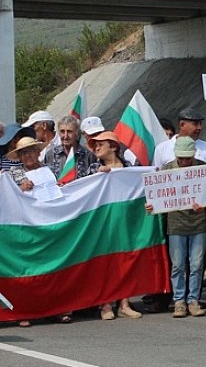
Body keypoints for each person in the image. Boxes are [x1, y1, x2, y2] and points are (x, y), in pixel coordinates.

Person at [7, 137, 72, 327]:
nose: (27, 155)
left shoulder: (50, 170)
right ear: (18, 156)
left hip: (51, 225)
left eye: (30, 151)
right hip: (26, 228)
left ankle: (54, 310)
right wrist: (20, 189)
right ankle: (25, 312)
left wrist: (61, 188)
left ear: (38, 152)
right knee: (27, 271)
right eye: (23, 153)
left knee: (52, 269)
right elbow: (6, 198)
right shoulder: (12, 174)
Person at [147, 137, 206, 318]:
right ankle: (179, 300)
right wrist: (152, 205)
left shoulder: (202, 168)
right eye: (181, 159)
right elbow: (157, 195)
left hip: (198, 223)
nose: (184, 162)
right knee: (178, 265)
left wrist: (205, 203)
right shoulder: (167, 170)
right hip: (175, 224)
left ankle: (193, 300)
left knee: (197, 265)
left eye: (187, 158)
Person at [87, 131, 143, 320]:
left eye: (100, 144)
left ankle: (125, 303)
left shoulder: (128, 167)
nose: (96, 147)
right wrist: (98, 175)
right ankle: (106, 304)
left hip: (126, 220)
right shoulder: (94, 168)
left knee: (126, 260)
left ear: (113, 146)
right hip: (103, 222)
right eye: (95, 145)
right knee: (106, 263)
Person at [44, 116, 96, 180]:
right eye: (62, 131)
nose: (65, 136)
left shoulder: (88, 155)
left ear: (77, 133)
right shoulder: (50, 155)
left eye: (69, 132)